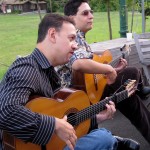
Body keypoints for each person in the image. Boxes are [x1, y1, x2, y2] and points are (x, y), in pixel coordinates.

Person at [0, 13, 139, 150]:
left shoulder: (49, 72)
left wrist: (97, 118)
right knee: (103, 137)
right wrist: (54, 125)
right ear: (52, 35)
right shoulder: (26, 68)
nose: (75, 46)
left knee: (100, 136)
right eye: (71, 38)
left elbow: (63, 122)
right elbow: (5, 111)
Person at [57, 0, 150, 145]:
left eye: (91, 12)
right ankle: (139, 89)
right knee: (131, 74)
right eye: (85, 13)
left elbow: (87, 75)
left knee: (129, 95)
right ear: (71, 18)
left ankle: (137, 91)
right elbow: (78, 63)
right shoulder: (73, 36)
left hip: (86, 93)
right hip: (76, 101)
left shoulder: (80, 37)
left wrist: (114, 70)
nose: (91, 16)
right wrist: (109, 69)